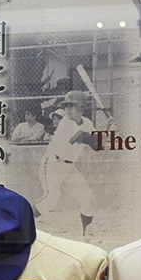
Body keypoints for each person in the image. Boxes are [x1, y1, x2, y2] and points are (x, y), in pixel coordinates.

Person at [38, 90, 98, 235]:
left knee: (89, 201)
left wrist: (109, 130)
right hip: (52, 164)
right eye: (66, 106)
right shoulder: (66, 123)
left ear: (82, 107)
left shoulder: (87, 123)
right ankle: (22, 223)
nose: (67, 109)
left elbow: (97, 146)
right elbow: (82, 138)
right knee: (51, 200)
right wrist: (104, 135)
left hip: (70, 168)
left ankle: (86, 233)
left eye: (72, 105)